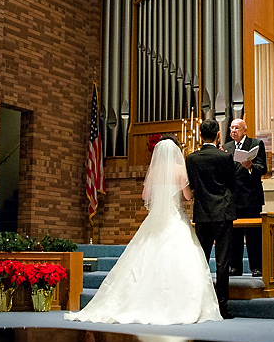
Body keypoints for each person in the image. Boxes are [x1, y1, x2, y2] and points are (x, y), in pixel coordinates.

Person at [63, 135, 222, 324]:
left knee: (144, 256)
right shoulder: (180, 170)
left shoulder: (153, 171)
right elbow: (187, 197)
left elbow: (145, 195)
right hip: (176, 218)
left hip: (155, 220)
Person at [185, 118, 237, 319]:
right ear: (217, 134)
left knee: (202, 261)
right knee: (223, 262)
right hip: (223, 212)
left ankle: (201, 305)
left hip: (203, 213)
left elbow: (192, 185)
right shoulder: (225, 157)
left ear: (200, 135)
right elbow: (233, 183)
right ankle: (222, 308)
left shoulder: (191, 158)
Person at [222, 118, 267, 277]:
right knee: (234, 235)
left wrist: (251, 167)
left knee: (253, 234)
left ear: (244, 130)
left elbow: (263, 168)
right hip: (233, 197)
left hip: (251, 197)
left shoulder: (256, 144)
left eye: (237, 128)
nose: (233, 131)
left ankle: (256, 267)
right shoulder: (226, 147)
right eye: (231, 128)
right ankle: (235, 266)